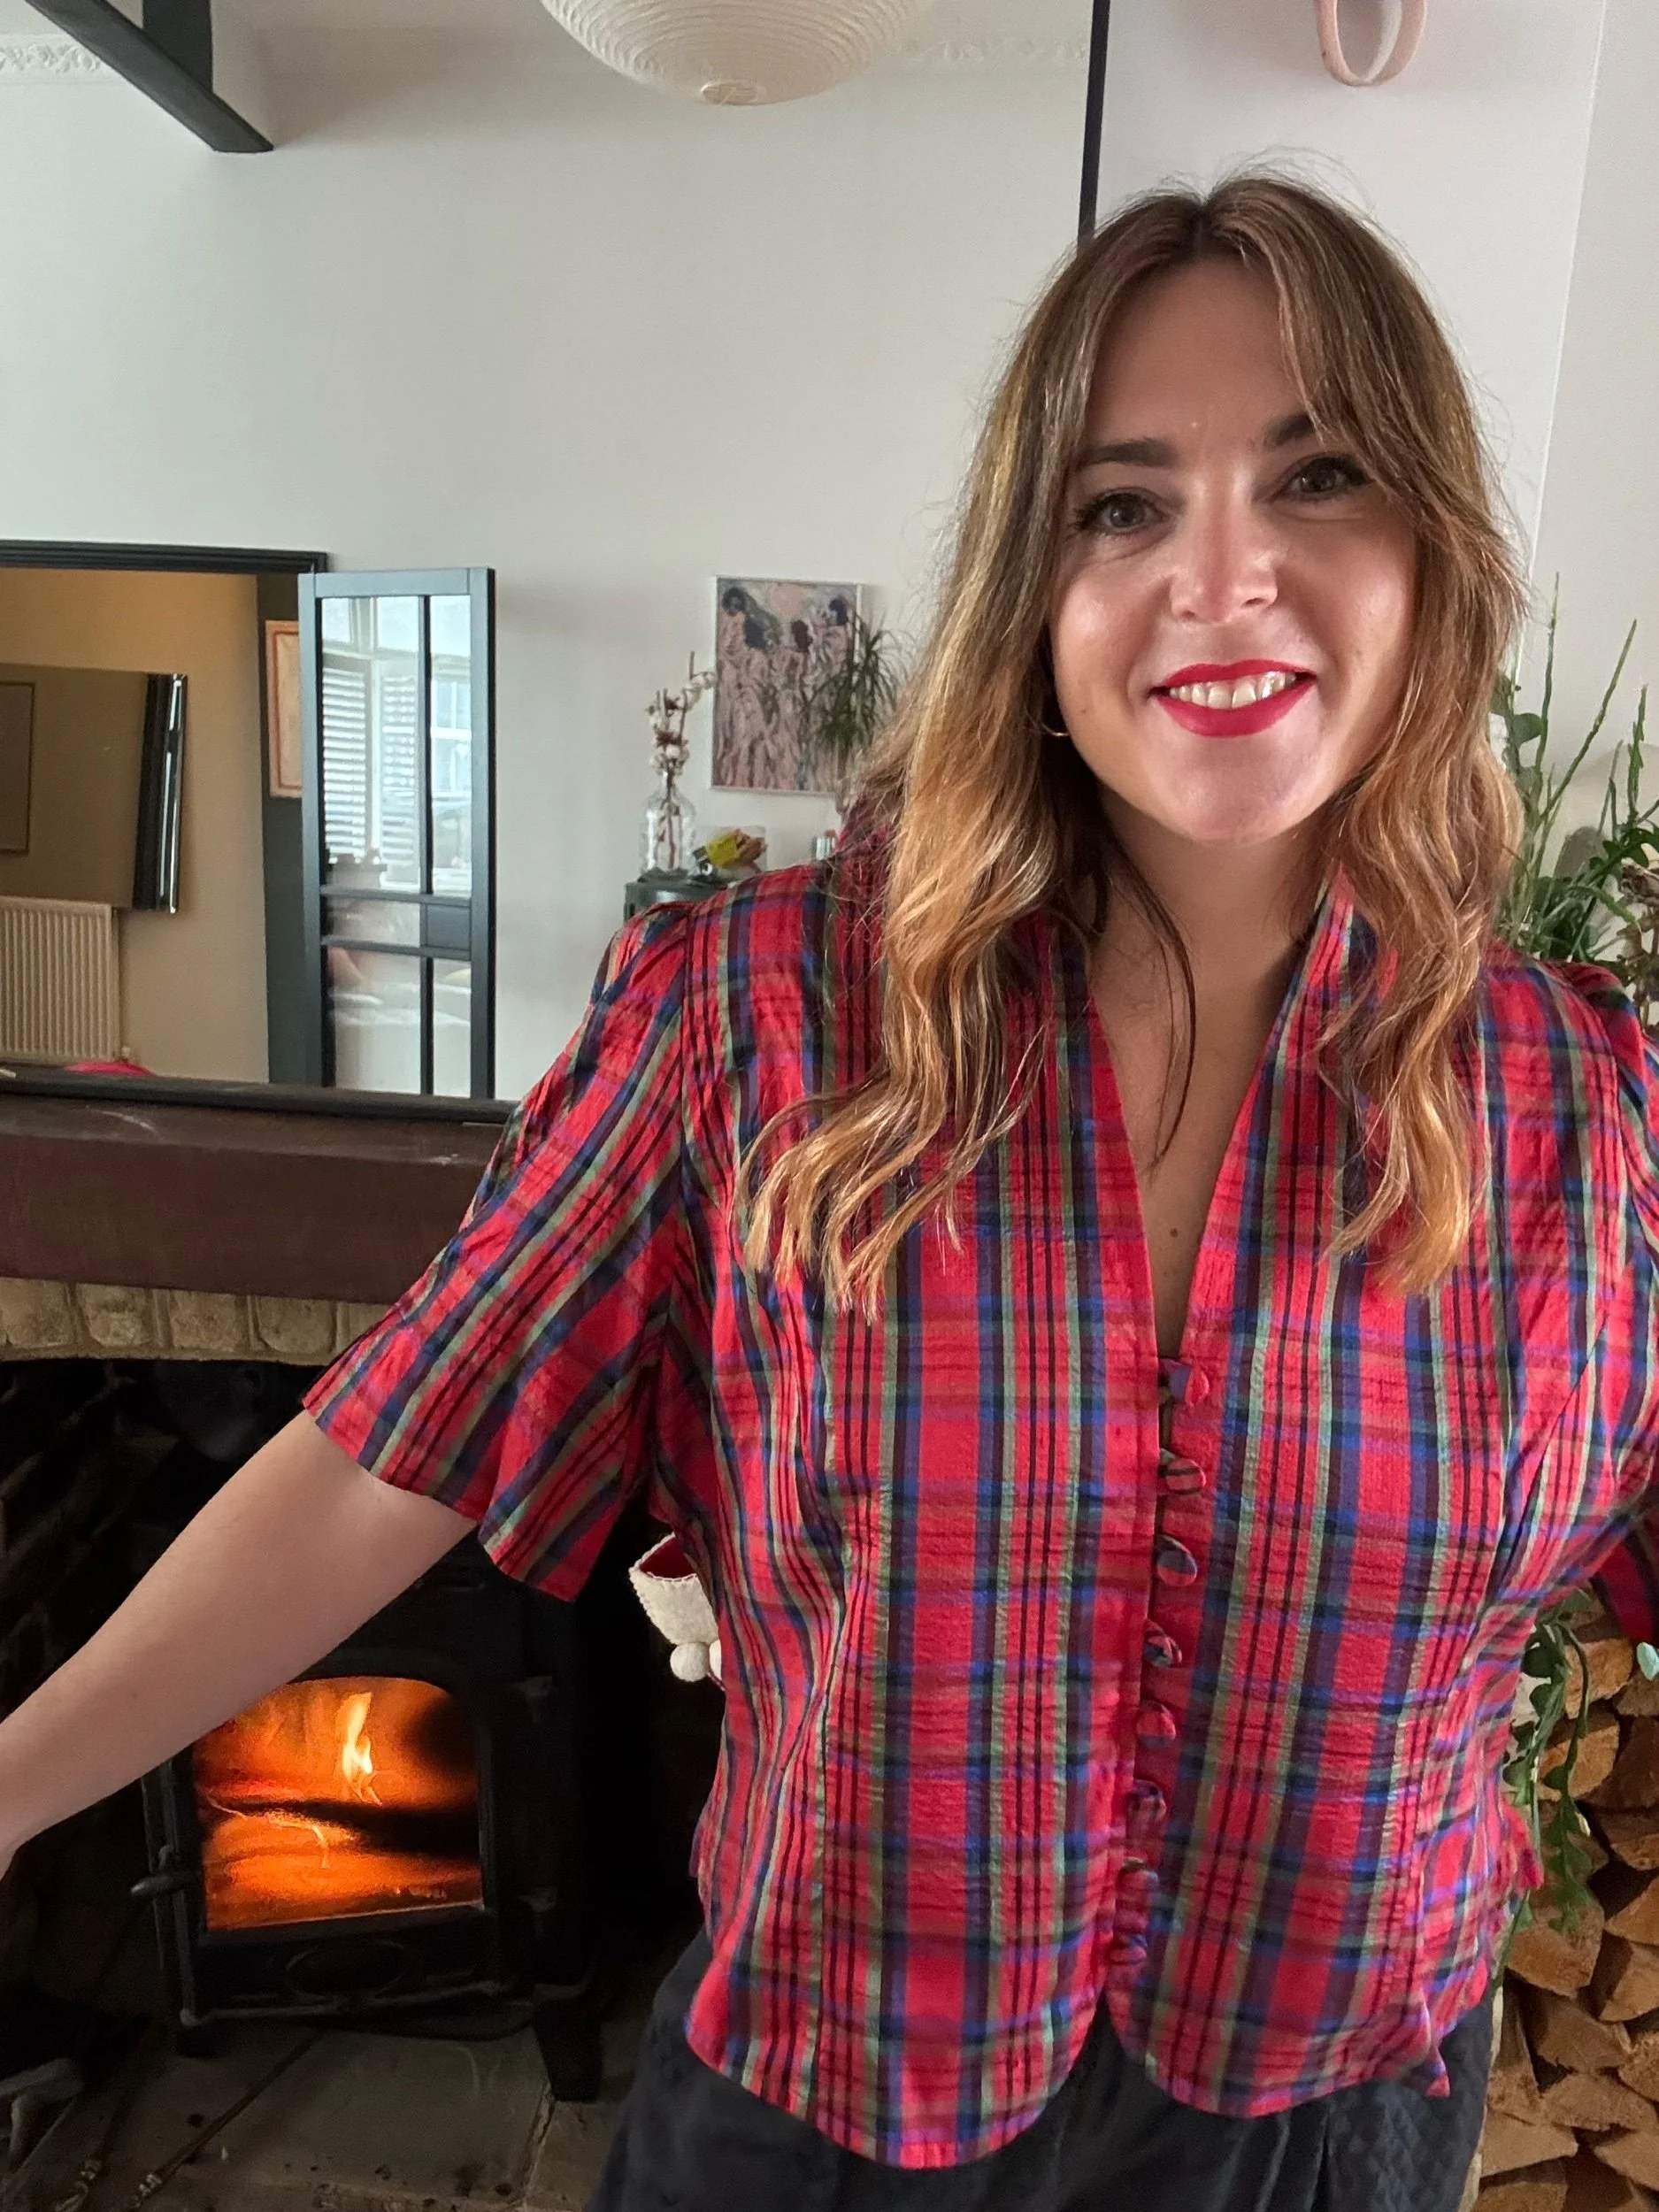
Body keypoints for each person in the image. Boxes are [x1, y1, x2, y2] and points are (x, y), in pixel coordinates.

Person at [3, 172, 1658, 2212]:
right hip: (821, 2115)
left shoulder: (1587, 1109)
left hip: (1320, 2123)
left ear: (1428, 547)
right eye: (1120, 505)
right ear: (1030, 588)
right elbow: (387, 1454)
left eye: (1315, 478)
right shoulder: (756, 1019)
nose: (1221, 576)